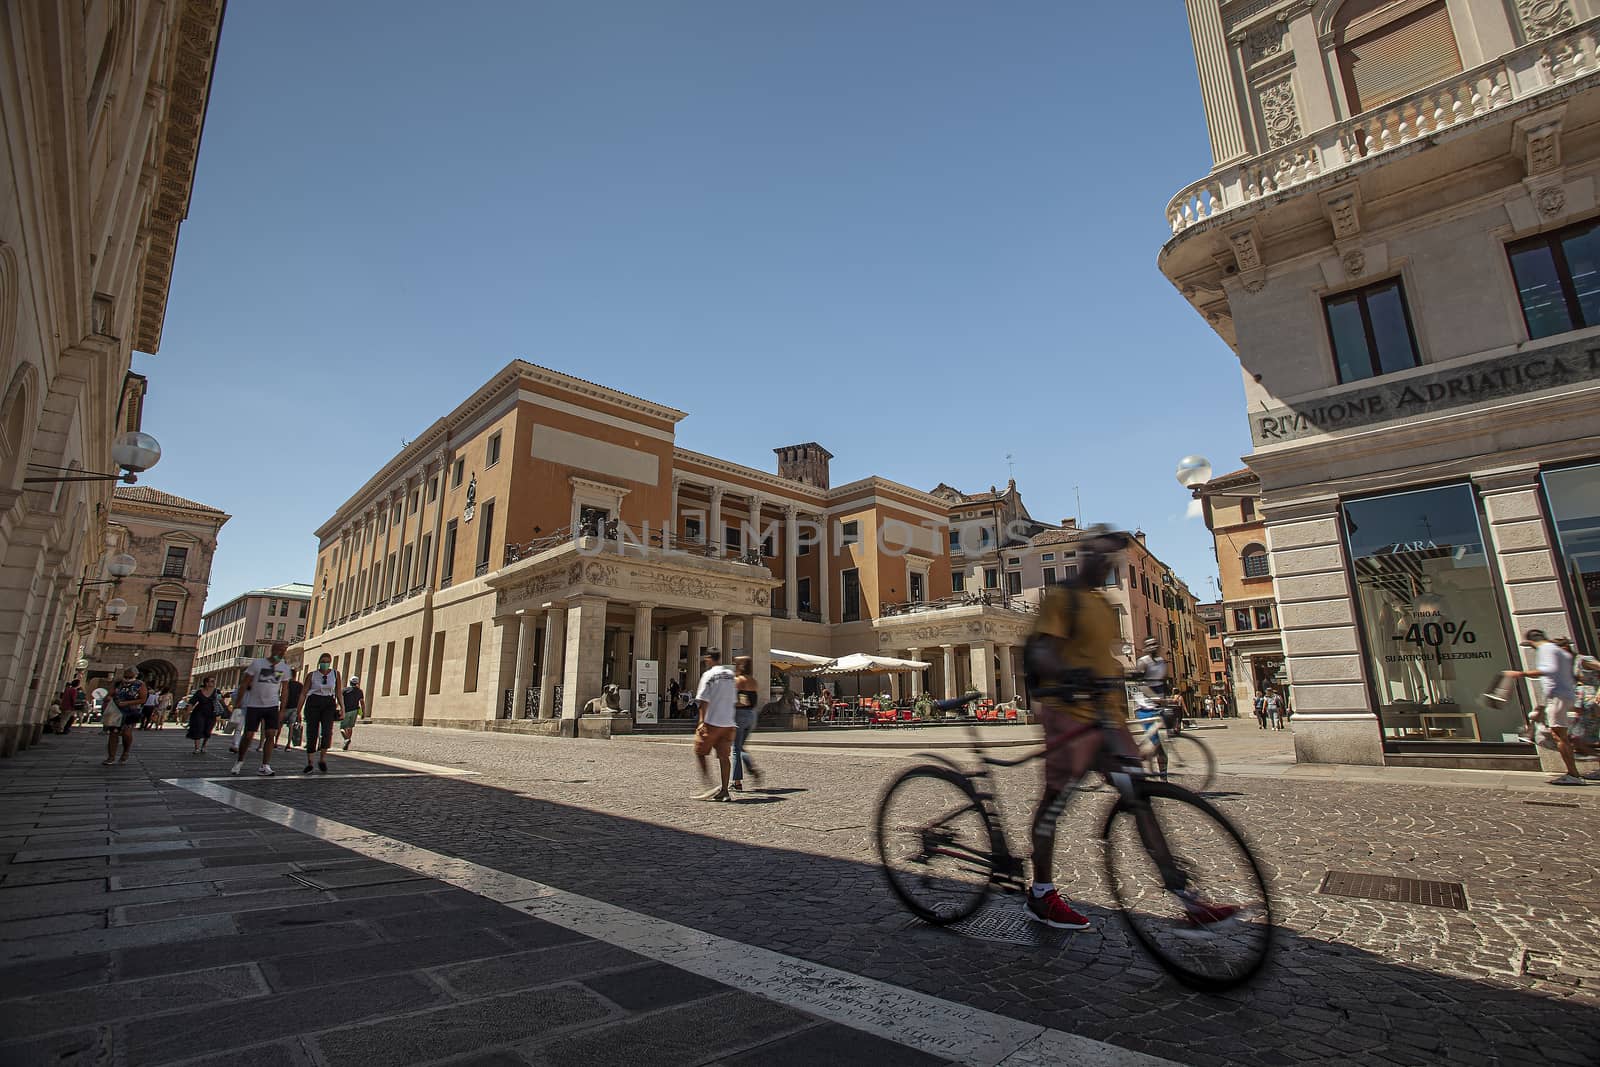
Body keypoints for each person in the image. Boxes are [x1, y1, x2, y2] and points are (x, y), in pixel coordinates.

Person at [1021, 526, 1238, 931]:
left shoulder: (1104, 606)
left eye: (1112, 559)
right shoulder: (1062, 599)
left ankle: (1183, 894)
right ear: (1085, 557)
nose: (1106, 564)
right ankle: (1041, 892)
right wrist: (1071, 676)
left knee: (1138, 795)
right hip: (1067, 712)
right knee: (1053, 805)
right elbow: (1041, 650)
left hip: (1107, 717)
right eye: (1101, 557)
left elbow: (1107, 660)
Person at [1509, 630, 1595, 785]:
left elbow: (1549, 670)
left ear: (1531, 642)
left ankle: (1573, 775)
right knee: (1567, 735)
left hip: (1561, 696)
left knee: (1560, 736)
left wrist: (1521, 673)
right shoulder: (1562, 653)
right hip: (1567, 696)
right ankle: (1575, 768)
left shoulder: (1546, 649)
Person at [232, 641, 293, 777]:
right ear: (273, 650)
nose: (281, 653)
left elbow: (285, 690)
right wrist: (238, 702)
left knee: (270, 734)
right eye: (279, 650)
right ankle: (240, 761)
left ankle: (265, 765)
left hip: (271, 705)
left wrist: (282, 708)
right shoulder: (258, 664)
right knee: (248, 735)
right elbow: (245, 683)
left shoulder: (284, 668)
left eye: (284, 651)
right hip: (254, 704)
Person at [691, 647, 738, 801]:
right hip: (728, 722)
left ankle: (710, 785)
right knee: (724, 757)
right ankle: (724, 790)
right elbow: (734, 698)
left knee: (700, 752)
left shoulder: (708, 675)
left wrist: (701, 721)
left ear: (709, 658)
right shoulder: (731, 675)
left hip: (712, 721)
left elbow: (704, 699)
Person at [730, 656, 763, 791]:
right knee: (740, 747)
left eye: (736, 664)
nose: (734, 666)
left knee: (736, 749)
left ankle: (737, 782)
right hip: (752, 716)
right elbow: (752, 701)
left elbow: (743, 701)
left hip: (740, 715)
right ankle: (750, 767)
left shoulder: (739, 681)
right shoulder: (753, 681)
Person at [104, 669, 147, 766]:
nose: (127, 679)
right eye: (126, 676)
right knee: (113, 733)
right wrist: (111, 699)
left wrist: (127, 703)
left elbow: (143, 699)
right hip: (116, 710)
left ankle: (126, 751)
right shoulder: (118, 683)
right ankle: (111, 757)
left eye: (130, 677)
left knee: (126, 733)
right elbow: (109, 695)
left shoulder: (140, 685)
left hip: (131, 711)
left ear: (135, 676)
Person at [185, 678, 224, 754]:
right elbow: (192, 702)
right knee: (198, 728)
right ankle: (197, 748)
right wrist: (188, 713)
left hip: (211, 713)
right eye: (212, 681)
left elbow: (221, 701)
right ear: (206, 683)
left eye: (214, 681)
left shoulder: (216, 691)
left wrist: (220, 712)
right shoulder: (199, 692)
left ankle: (204, 746)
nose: (214, 683)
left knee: (208, 730)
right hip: (199, 713)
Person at [280, 669, 305, 751]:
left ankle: (275, 741)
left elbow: (282, 696)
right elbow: (302, 697)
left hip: (285, 707)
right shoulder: (300, 685)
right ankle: (288, 744)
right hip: (295, 708)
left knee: (279, 725)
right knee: (291, 727)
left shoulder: (286, 684)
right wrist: (299, 711)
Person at [339, 674, 365, 750]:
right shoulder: (360, 691)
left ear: (350, 682)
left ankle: (346, 739)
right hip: (355, 711)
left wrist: (337, 708)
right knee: (350, 727)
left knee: (342, 727)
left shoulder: (344, 690)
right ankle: (347, 742)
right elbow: (362, 702)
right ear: (357, 683)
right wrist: (363, 712)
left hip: (346, 710)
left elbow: (339, 700)